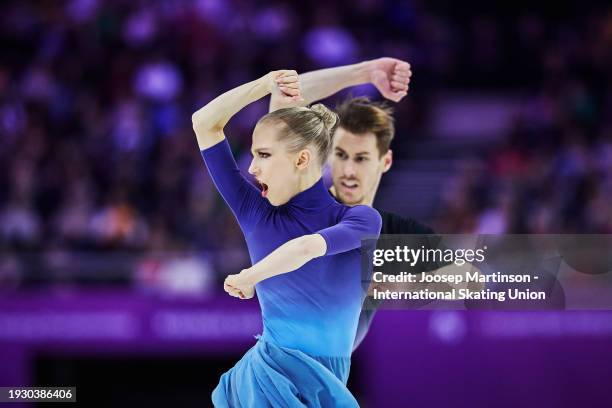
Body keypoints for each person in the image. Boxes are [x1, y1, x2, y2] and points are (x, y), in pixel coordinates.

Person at [192, 70, 382, 407]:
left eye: (262, 155)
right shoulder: (255, 211)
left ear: (303, 159)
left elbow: (308, 247)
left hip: (329, 378)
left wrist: (251, 275)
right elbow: (204, 122)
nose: (251, 168)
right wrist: (264, 84)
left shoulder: (360, 219)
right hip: (271, 376)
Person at [268, 58, 454, 349]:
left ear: (386, 161)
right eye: (341, 155)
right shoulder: (304, 202)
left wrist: (405, 285)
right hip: (277, 372)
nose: (350, 171)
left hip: (324, 379)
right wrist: (364, 72)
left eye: (362, 158)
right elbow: (284, 98)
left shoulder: (392, 232)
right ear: (328, 155)